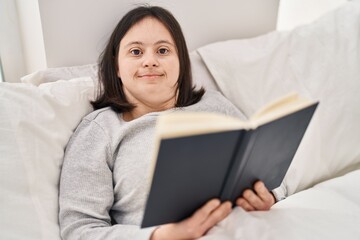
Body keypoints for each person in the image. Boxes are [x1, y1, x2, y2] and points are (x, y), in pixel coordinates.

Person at [59, 5, 276, 240]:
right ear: (117, 67)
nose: (150, 61)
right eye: (135, 52)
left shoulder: (214, 104)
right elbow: (80, 229)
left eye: (163, 50)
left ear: (180, 61)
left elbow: (267, 169)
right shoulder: (100, 130)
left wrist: (269, 195)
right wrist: (161, 236)